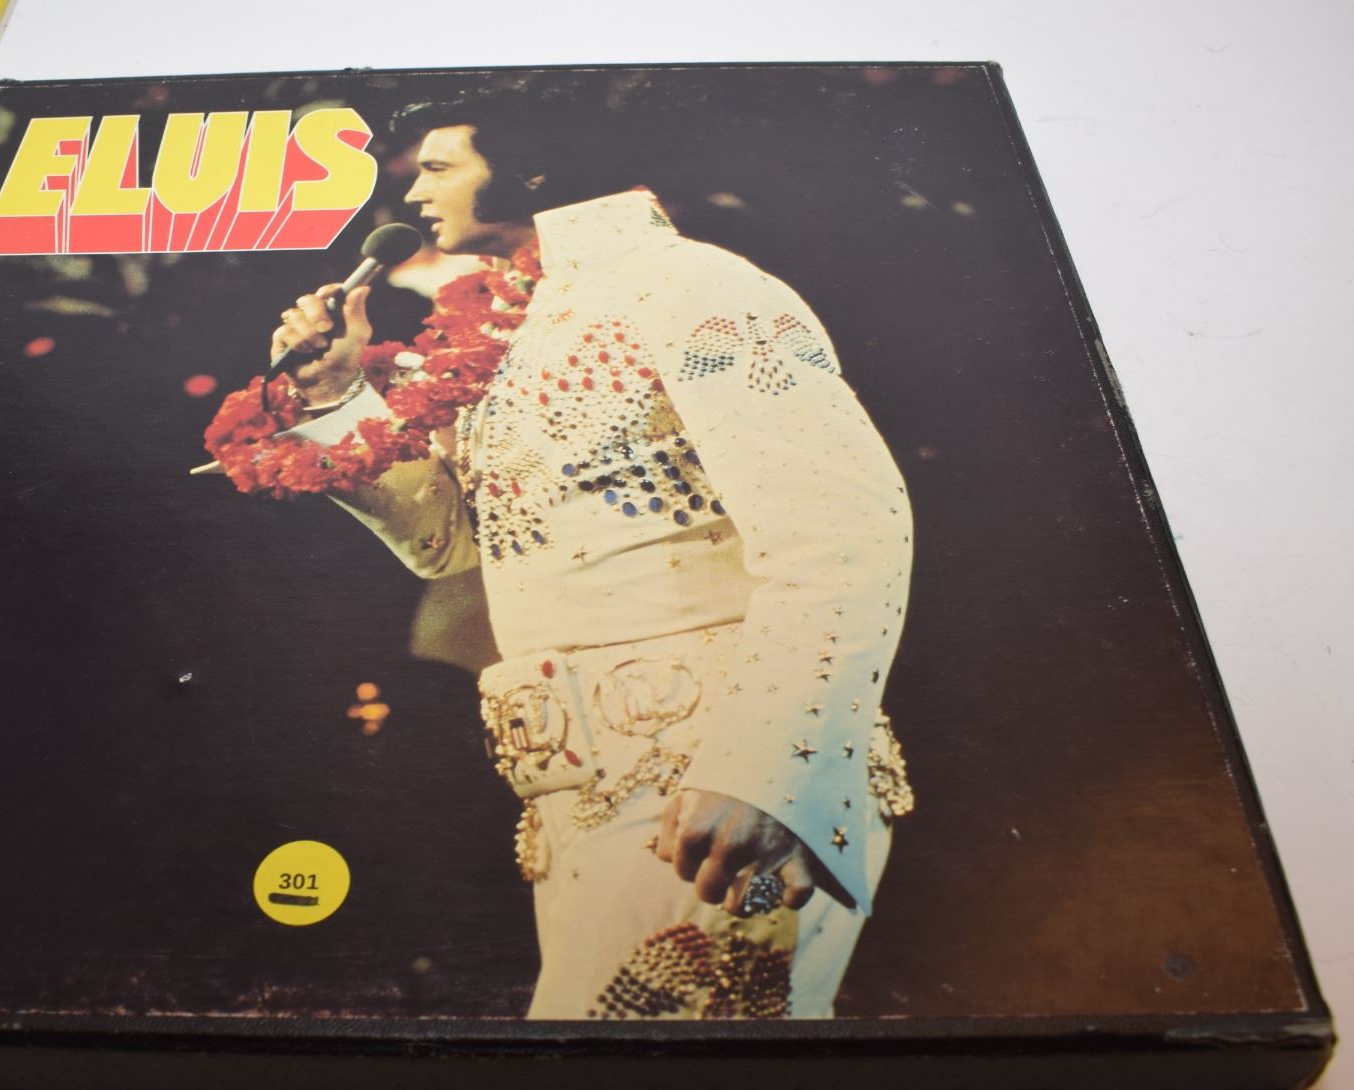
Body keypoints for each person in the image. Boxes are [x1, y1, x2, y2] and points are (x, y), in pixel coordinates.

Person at [209, 89, 915, 1019]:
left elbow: (842, 529)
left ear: (534, 170)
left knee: (652, 1074)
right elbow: (450, 545)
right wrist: (340, 396)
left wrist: (767, 767)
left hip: (715, 766)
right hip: (582, 786)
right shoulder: (515, 323)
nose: (413, 193)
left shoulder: (695, 287)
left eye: (438, 167)